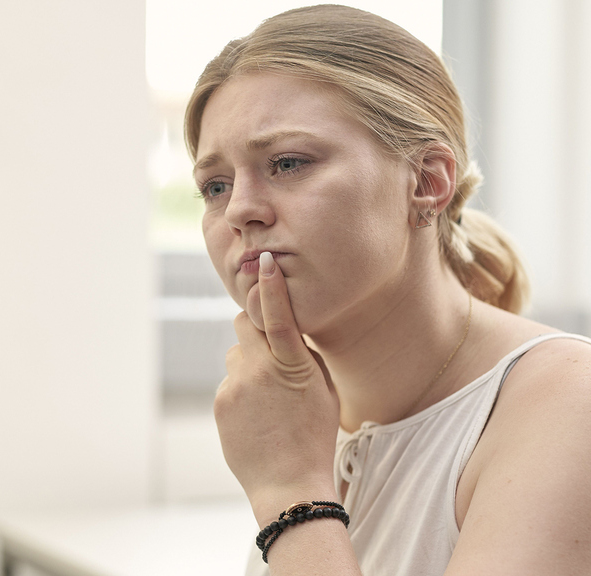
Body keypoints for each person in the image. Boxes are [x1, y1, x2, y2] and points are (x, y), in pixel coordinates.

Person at [185, 4, 591, 575]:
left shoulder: (571, 404)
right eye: (215, 185)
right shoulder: (298, 419)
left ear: (427, 181)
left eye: (288, 162)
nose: (240, 211)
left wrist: (293, 493)